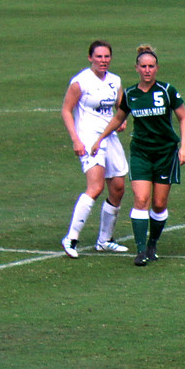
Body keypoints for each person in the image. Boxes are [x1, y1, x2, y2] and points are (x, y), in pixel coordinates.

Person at [91, 46, 185, 267]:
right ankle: (141, 250)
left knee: (159, 204)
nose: (147, 70)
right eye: (143, 66)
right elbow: (118, 118)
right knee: (141, 199)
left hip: (165, 153)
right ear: (136, 68)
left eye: (151, 66)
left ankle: (153, 243)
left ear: (157, 68)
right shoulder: (131, 94)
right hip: (141, 153)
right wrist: (100, 139)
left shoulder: (167, 91)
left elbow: (183, 117)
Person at [59, 40, 131, 257]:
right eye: (99, 57)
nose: (103, 61)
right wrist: (76, 140)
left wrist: (122, 119)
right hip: (90, 139)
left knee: (118, 188)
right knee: (96, 186)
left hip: (109, 137)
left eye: (107, 56)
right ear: (90, 58)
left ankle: (105, 239)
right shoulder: (81, 82)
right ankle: (71, 238)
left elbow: (120, 106)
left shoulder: (115, 80)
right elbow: (66, 110)